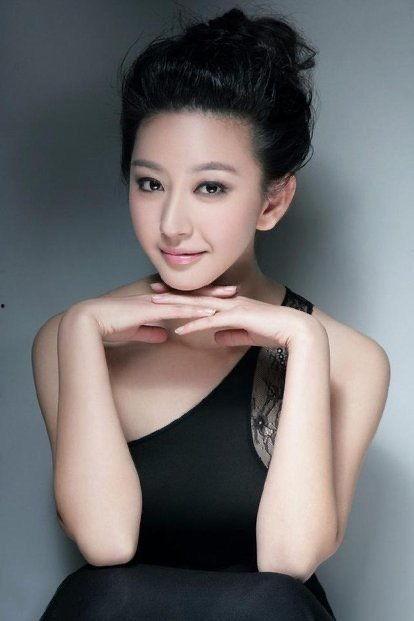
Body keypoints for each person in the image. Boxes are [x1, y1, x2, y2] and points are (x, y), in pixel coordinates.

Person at [32, 6, 391, 620]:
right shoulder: (71, 336)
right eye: (150, 184)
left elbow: (289, 561)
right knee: (101, 596)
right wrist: (80, 333)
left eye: (211, 187)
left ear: (272, 201)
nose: (172, 224)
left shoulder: (351, 360)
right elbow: (105, 542)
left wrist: (305, 344)